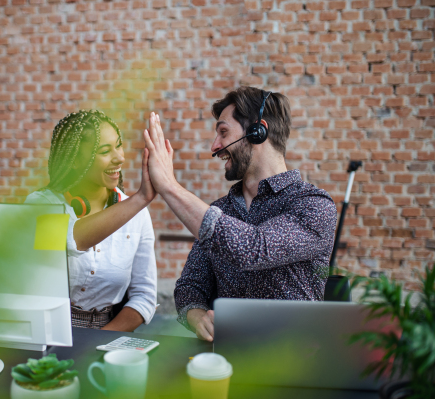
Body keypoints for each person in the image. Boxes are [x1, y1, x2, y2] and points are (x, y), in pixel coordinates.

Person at [142, 86, 337, 341]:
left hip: (294, 364)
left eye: (223, 132)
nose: (215, 146)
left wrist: (169, 187)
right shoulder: (221, 210)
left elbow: (253, 248)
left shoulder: (313, 205)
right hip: (226, 359)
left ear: (258, 132)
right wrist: (197, 316)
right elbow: (190, 286)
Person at [25, 110, 157, 331]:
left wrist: (101, 339)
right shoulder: (41, 205)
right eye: (105, 150)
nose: (120, 157)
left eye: (118, 145)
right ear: (74, 160)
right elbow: (73, 239)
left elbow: (144, 296)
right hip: (46, 329)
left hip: (108, 332)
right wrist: (141, 198)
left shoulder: (138, 214)